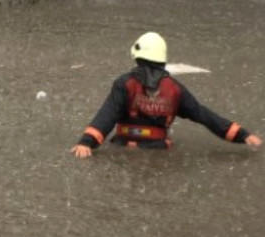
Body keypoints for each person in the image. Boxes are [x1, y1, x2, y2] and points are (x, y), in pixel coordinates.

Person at [71, 31, 262, 159]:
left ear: (137, 57)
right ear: (162, 60)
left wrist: (86, 143)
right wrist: (242, 135)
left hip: (122, 149)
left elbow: (107, 115)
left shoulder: (124, 84)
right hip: (158, 152)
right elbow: (204, 116)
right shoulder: (175, 89)